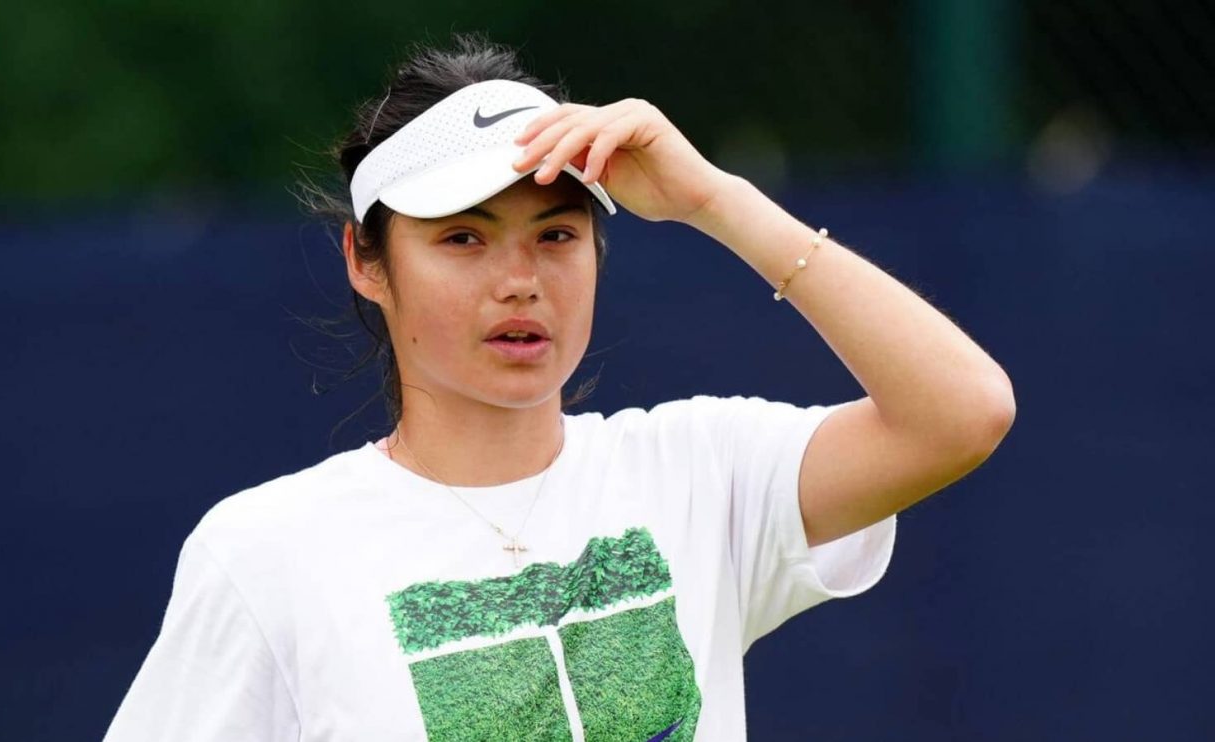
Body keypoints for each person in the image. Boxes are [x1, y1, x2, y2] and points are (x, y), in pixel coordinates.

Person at [103, 34, 1015, 742]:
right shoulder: (267, 551)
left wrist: (714, 200)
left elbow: (963, 412)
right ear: (366, 262)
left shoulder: (698, 471)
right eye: (463, 238)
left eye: (557, 234)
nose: (520, 281)